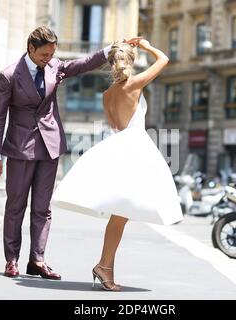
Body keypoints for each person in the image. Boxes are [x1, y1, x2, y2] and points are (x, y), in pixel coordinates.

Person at [51, 37, 183, 291]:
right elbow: (164, 59)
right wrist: (145, 45)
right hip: (134, 149)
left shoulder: (107, 95)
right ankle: (103, 267)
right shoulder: (134, 84)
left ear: (111, 64)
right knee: (120, 217)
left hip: (119, 146)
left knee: (119, 216)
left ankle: (105, 267)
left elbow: (114, 126)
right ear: (130, 63)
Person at [0, 26, 113, 279]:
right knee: (15, 206)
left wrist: (110, 50)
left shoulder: (55, 67)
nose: (48, 59)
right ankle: (11, 260)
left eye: (51, 54)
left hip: (50, 146)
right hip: (20, 148)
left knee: (43, 209)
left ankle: (38, 260)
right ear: (31, 48)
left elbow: (83, 63)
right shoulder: (8, 76)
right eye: (44, 54)